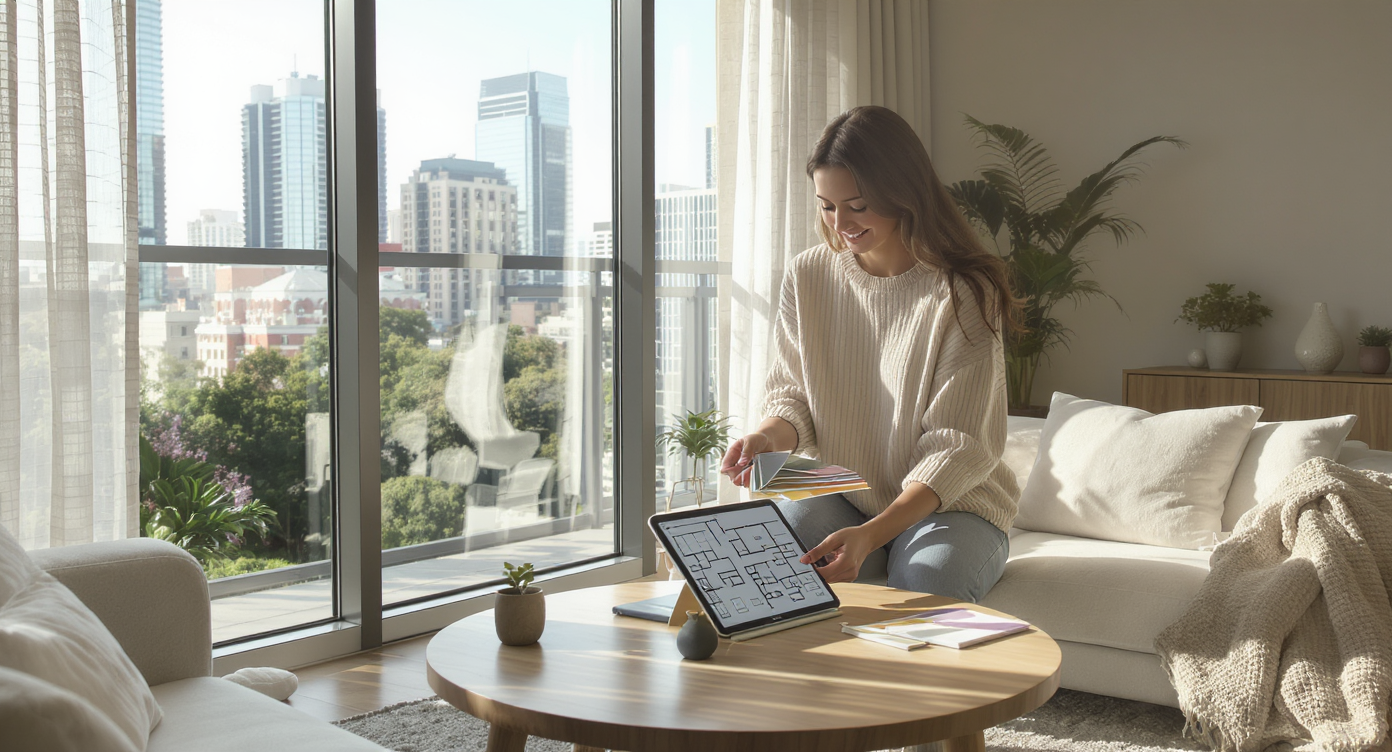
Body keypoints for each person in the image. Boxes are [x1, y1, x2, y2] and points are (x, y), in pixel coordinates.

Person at [720, 105, 1022, 603]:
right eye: (826, 205)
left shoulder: (962, 290)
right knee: (772, 554)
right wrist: (764, 440)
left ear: (903, 194)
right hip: (842, 487)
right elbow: (793, 395)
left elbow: (957, 446)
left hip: (952, 503)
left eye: (858, 205)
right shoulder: (808, 275)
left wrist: (872, 535)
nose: (841, 223)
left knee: (928, 582)